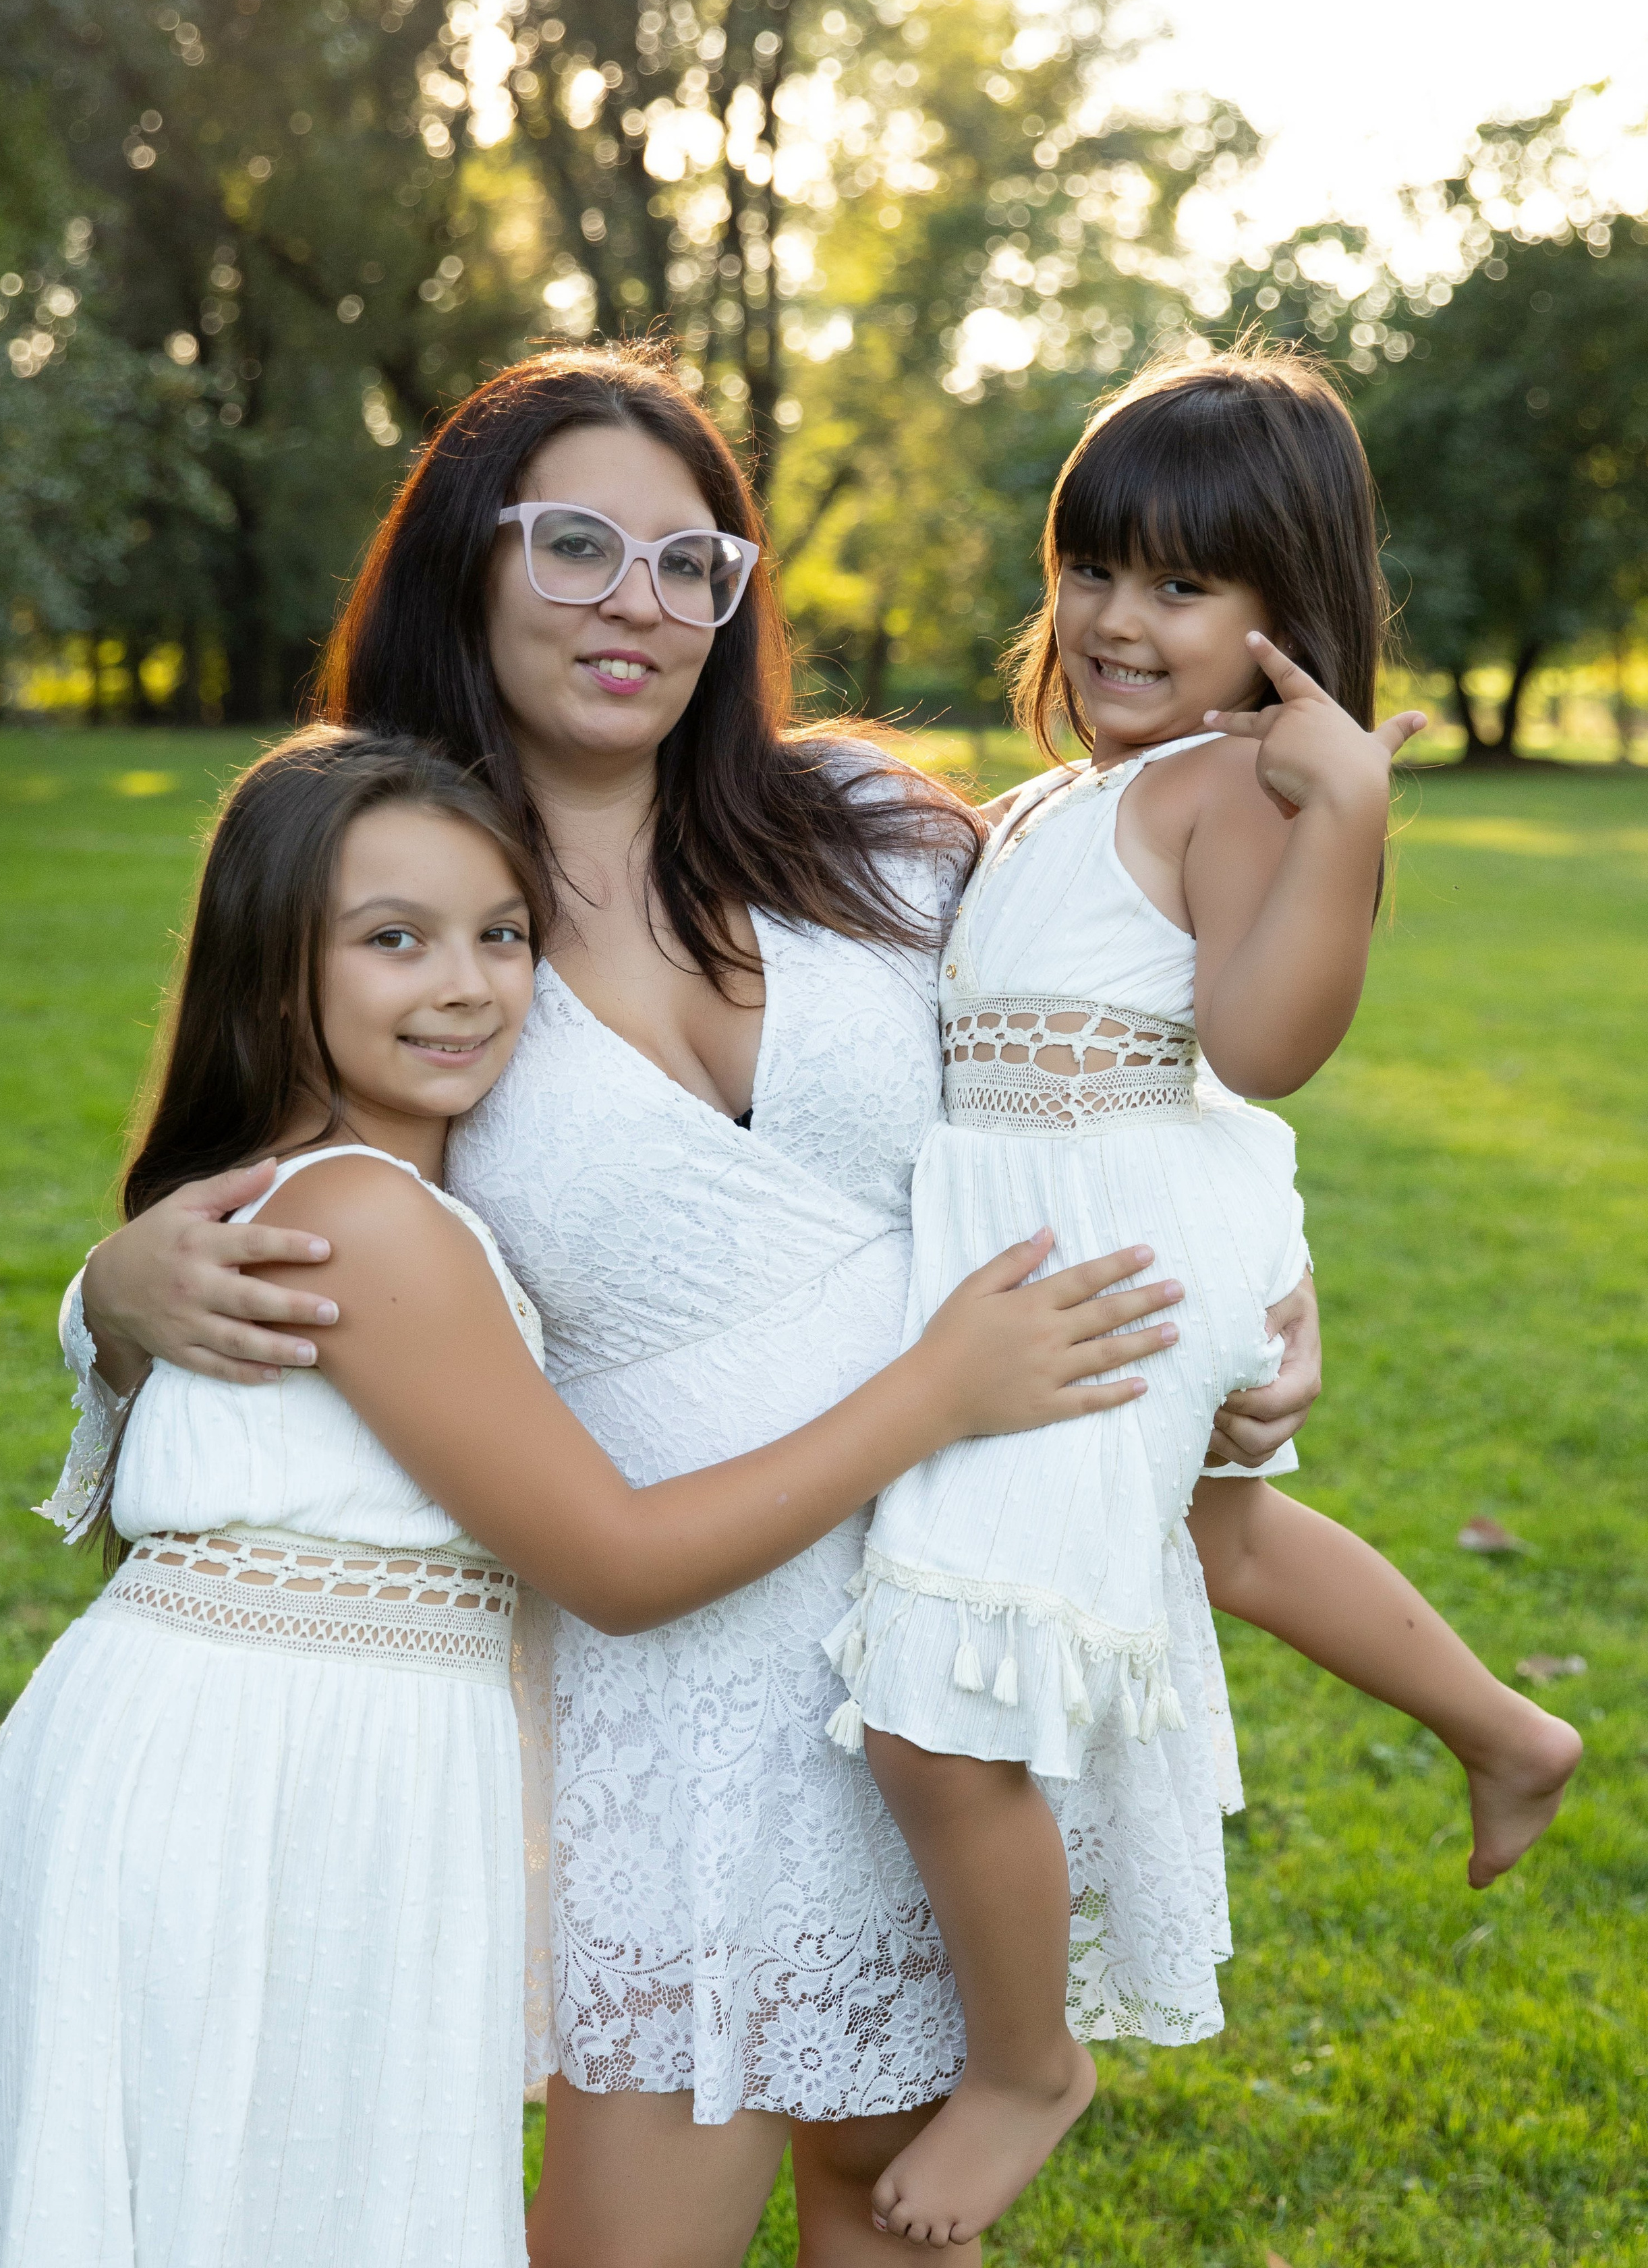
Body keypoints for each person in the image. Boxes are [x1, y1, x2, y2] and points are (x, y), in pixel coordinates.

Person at [63, 344, 1325, 2267]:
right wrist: (116, 1292)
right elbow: (275, 1181)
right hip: (671, 1687)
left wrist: (1271, 1292)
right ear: (465, 561)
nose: (635, 603)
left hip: (938, 1632)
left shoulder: (874, 829)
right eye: (576, 545)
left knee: (894, 2220)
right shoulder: (411, 890)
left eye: (688, 562)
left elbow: (1122, 1037)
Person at [0, 727, 1185, 2268]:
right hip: (266, 1781)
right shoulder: (361, 1222)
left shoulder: (351, 1202)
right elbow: (616, 1562)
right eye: (394, 940)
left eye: (503, 935)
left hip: (309, 1756)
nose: (465, 985)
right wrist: (938, 1390)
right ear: (271, 975)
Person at [818, 348, 1586, 2248]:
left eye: (1179, 584)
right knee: (1223, 1536)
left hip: (1112, 1257)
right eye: (1090, 568)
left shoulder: (1241, 784)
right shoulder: (1076, 795)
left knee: (938, 1710)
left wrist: (1349, 816)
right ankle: (1509, 1732)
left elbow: (1261, 1042)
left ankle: (1027, 2065)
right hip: (1092, 1223)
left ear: (1279, 612)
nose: (1114, 617)